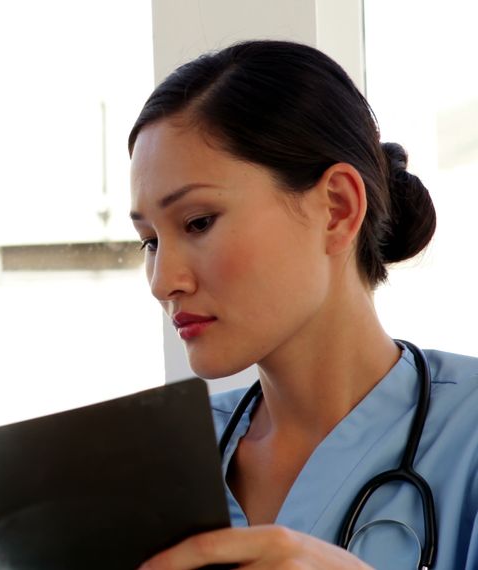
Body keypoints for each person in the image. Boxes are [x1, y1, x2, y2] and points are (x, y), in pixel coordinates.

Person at [128, 40, 478, 569]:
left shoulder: (468, 433)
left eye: (198, 222)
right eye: (150, 241)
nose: (162, 282)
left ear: (337, 209)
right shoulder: (159, 460)